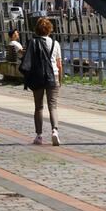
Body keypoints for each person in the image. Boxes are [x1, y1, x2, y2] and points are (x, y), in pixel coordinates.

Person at [24, 17, 62, 146]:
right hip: (53, 76)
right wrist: (60, 80)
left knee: (39, 107)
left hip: (38, 77)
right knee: (53, 106)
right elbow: (59, 64)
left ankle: (39, 136)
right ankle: (55, 131)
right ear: (50, 29)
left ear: (37, 30)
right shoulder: (55, 43)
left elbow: (28, 61)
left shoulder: (33, 43)